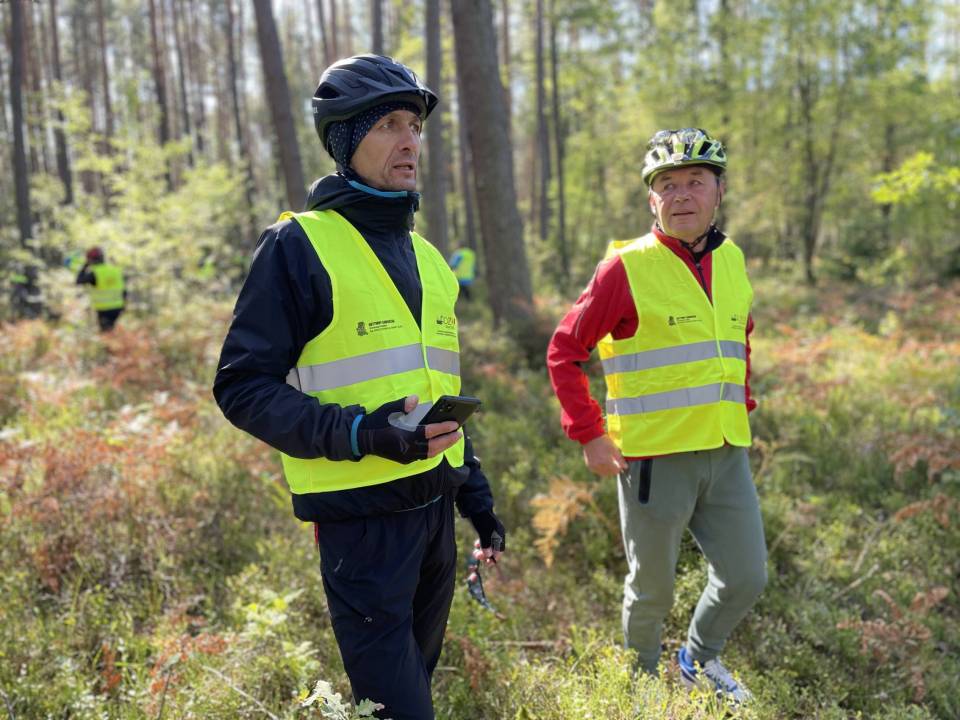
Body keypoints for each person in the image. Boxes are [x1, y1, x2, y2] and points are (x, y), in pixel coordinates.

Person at [212, 54, 506, 720]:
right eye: (388, 126)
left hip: (435, 515)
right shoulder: (297, 246)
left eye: (415, 126)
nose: (409, 142)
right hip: (361, 527)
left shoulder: (430, 259)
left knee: (411, 691)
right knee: (400, 709)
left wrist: (476, 497)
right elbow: (242, 386)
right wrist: (358, 431)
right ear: (345, 141)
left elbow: (434, 391)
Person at [546, 128, 766, 703]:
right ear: (652, 199)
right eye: (668, 184)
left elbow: (737, 337)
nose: (682, 194)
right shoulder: (625, 268)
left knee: (747, 576)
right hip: (653, 459)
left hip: (726, 452)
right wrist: (590, 434)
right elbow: (564, 351)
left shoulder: (733, 259)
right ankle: (640, 692)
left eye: (696, 181)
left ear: (719, 191)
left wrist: (741, 401)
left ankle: (699, 658)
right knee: (652, 591)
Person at [76, 247, 125, 331]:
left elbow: (79, 281)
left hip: (104, 308)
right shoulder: (115, 270)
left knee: (106, 332)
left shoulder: (95, 273)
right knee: (111, 330)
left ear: (90, 259)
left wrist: (85, 266)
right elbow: (123, 289)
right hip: (118, 306)